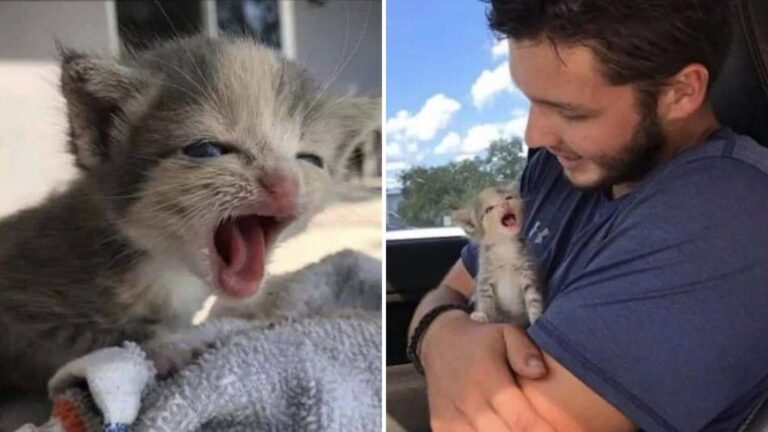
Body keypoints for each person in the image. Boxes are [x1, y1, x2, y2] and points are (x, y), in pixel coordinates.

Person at [407, 1, 768, 431]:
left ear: (681, 93)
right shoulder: (556, 172)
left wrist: (444, 340)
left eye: (572, 112)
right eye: (531, 101)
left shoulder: (724, 216)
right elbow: (449, 289)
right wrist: (442, 334)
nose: (534, 135)